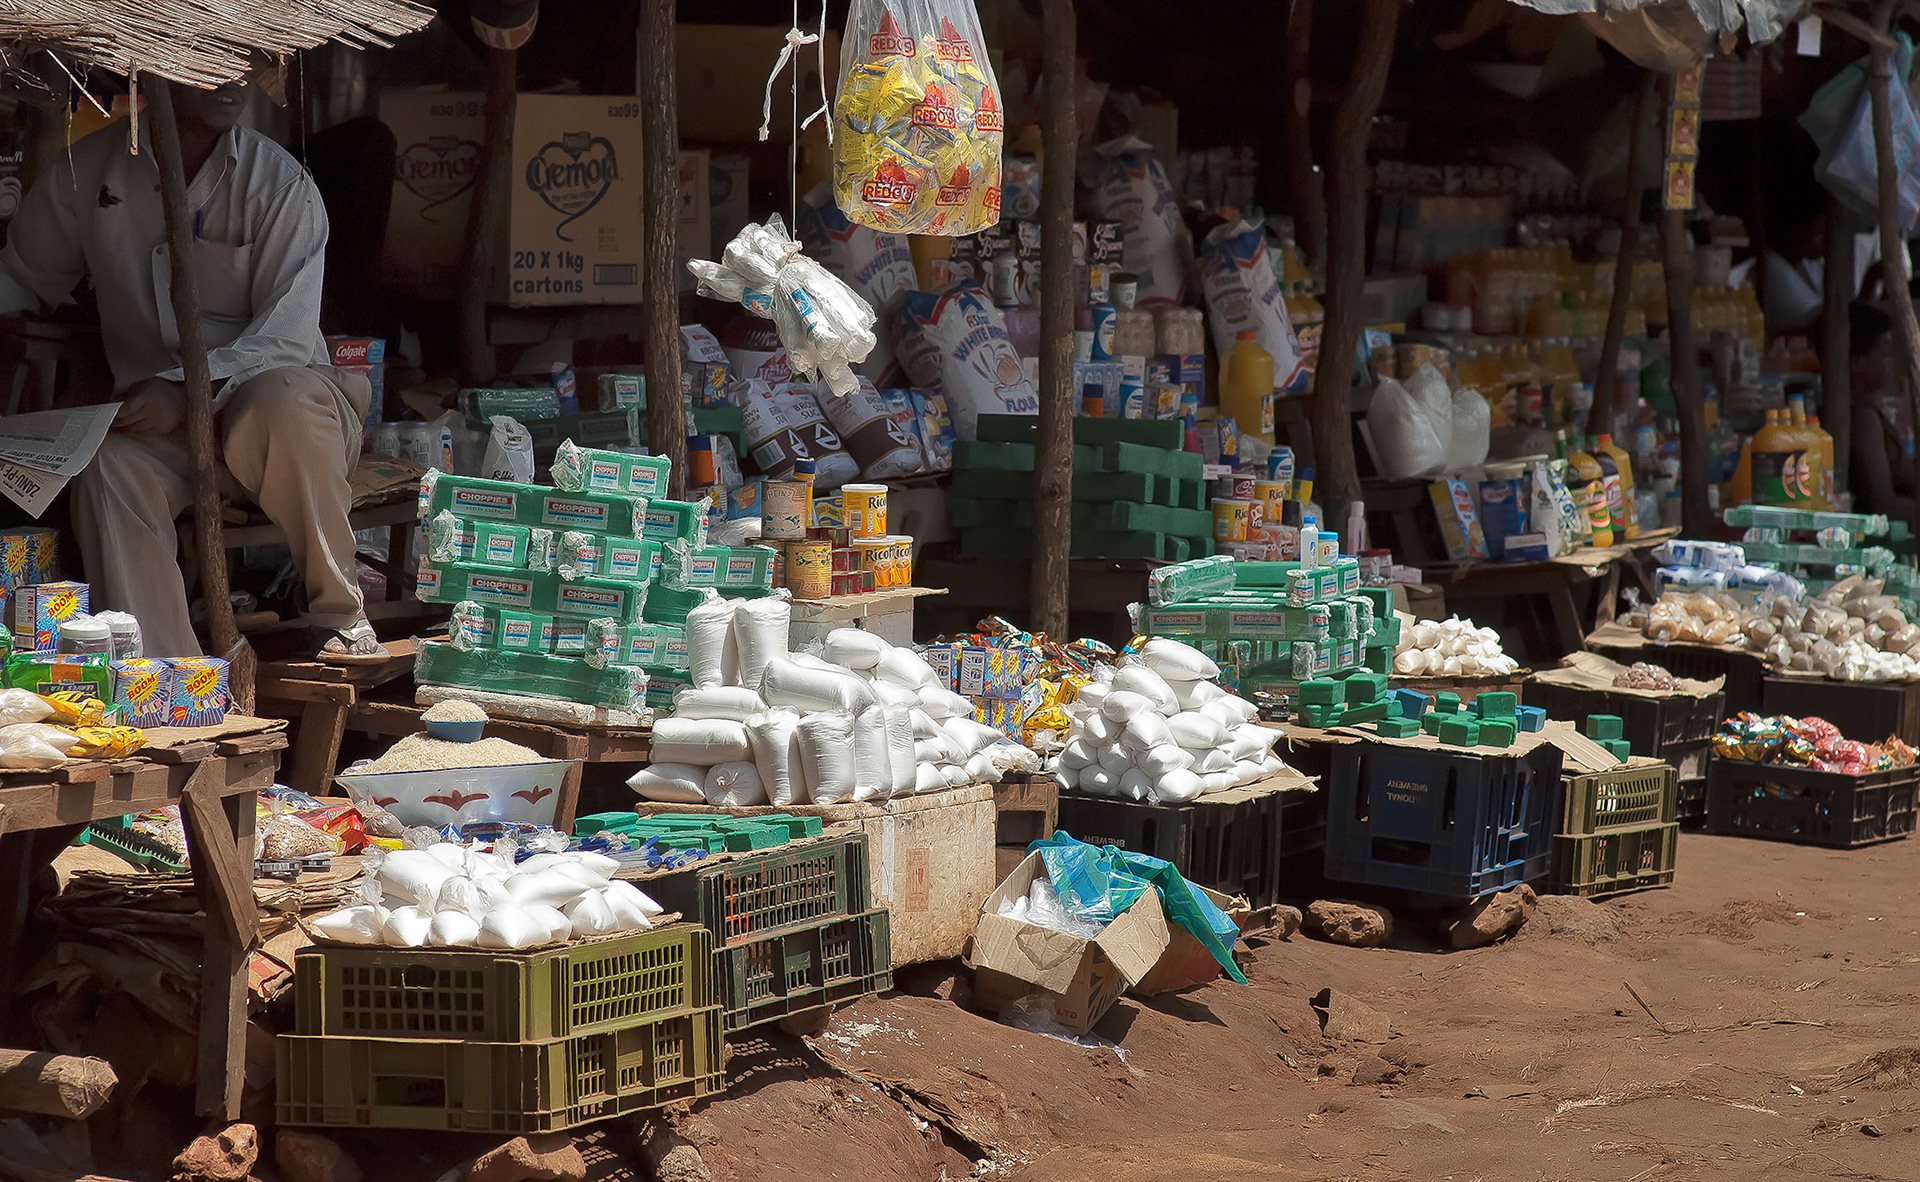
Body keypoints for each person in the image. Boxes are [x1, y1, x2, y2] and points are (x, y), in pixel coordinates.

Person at [0, 79, 384, 661]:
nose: (232, 83)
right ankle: (163, 673)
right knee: (109, 466)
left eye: (240, 68)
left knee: (279, 400)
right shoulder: (89, 171)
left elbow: (284, 340)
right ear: (158, 74)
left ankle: (339, 614)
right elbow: (21, 276)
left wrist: (185, 392)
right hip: (163, 428)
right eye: (209, 66)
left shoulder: (278, 184)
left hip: (279, 420)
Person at [1845, 301, 1915, 523]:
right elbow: (1883, 506)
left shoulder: (1869, 412)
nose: (1890, 364)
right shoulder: (1863, 420)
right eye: (1884, 357)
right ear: (1857, 363)